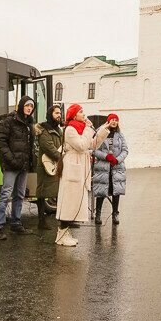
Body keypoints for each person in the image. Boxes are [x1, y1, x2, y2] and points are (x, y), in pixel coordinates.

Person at [54, 104, 109, 247]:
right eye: (81, 112)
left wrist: (103, 130)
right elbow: (81, 145)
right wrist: (88, 129)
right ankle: (61, 234)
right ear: (74, 115)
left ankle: (66, 233)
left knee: (74, 202)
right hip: (72, 166)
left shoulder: (80, 129)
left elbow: (92, 145)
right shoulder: (71, 129)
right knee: (69, 201)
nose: (84, 114)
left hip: (79, 166)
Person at [0, 95, 37, 240]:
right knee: (5, 195)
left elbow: (30, 147)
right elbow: (1, 142)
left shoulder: (30, 124)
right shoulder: (10, 121)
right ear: (21, 106)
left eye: (31, 106)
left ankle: (16, 224)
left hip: (23, 166)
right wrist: (11, 159)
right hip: (11, 166)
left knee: (19, 195)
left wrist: (31, 162)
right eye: (27, 105)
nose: (29, 108)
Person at [92, 114, 128, 225]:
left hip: (116, 167)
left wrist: (117, 160)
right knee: (102, 191)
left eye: (116, 120)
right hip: (103, 166)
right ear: (108, 121)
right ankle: (98, 214)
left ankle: (115, 214)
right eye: (112, 119)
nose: (114, 122)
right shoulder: (100, 132)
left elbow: (125, 150)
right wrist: (106, 156)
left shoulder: (120, 135)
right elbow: (94, 149)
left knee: (116, 191)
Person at [34, 104, 64, 230]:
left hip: (55, 164)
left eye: (60, 113)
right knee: (42, 192)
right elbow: (48, 147)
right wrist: (61, 159)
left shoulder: (59, 130)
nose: (59, 115)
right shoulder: (43, 129)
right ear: (50, 114)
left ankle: (62, 219)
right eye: (56, 113)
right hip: (45, 165)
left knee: (56, 191)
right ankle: (41, 220)